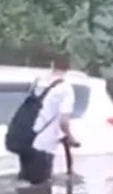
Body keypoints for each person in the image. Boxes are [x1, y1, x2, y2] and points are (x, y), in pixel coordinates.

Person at [18, 51, 79, 185]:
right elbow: (64, 121)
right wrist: (70, 137)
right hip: (44, 145)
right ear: (69, 67)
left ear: (52, 65)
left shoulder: (38, 83)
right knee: (41, 190)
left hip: (27, 141)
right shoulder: (65, 89)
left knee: (25, 185)